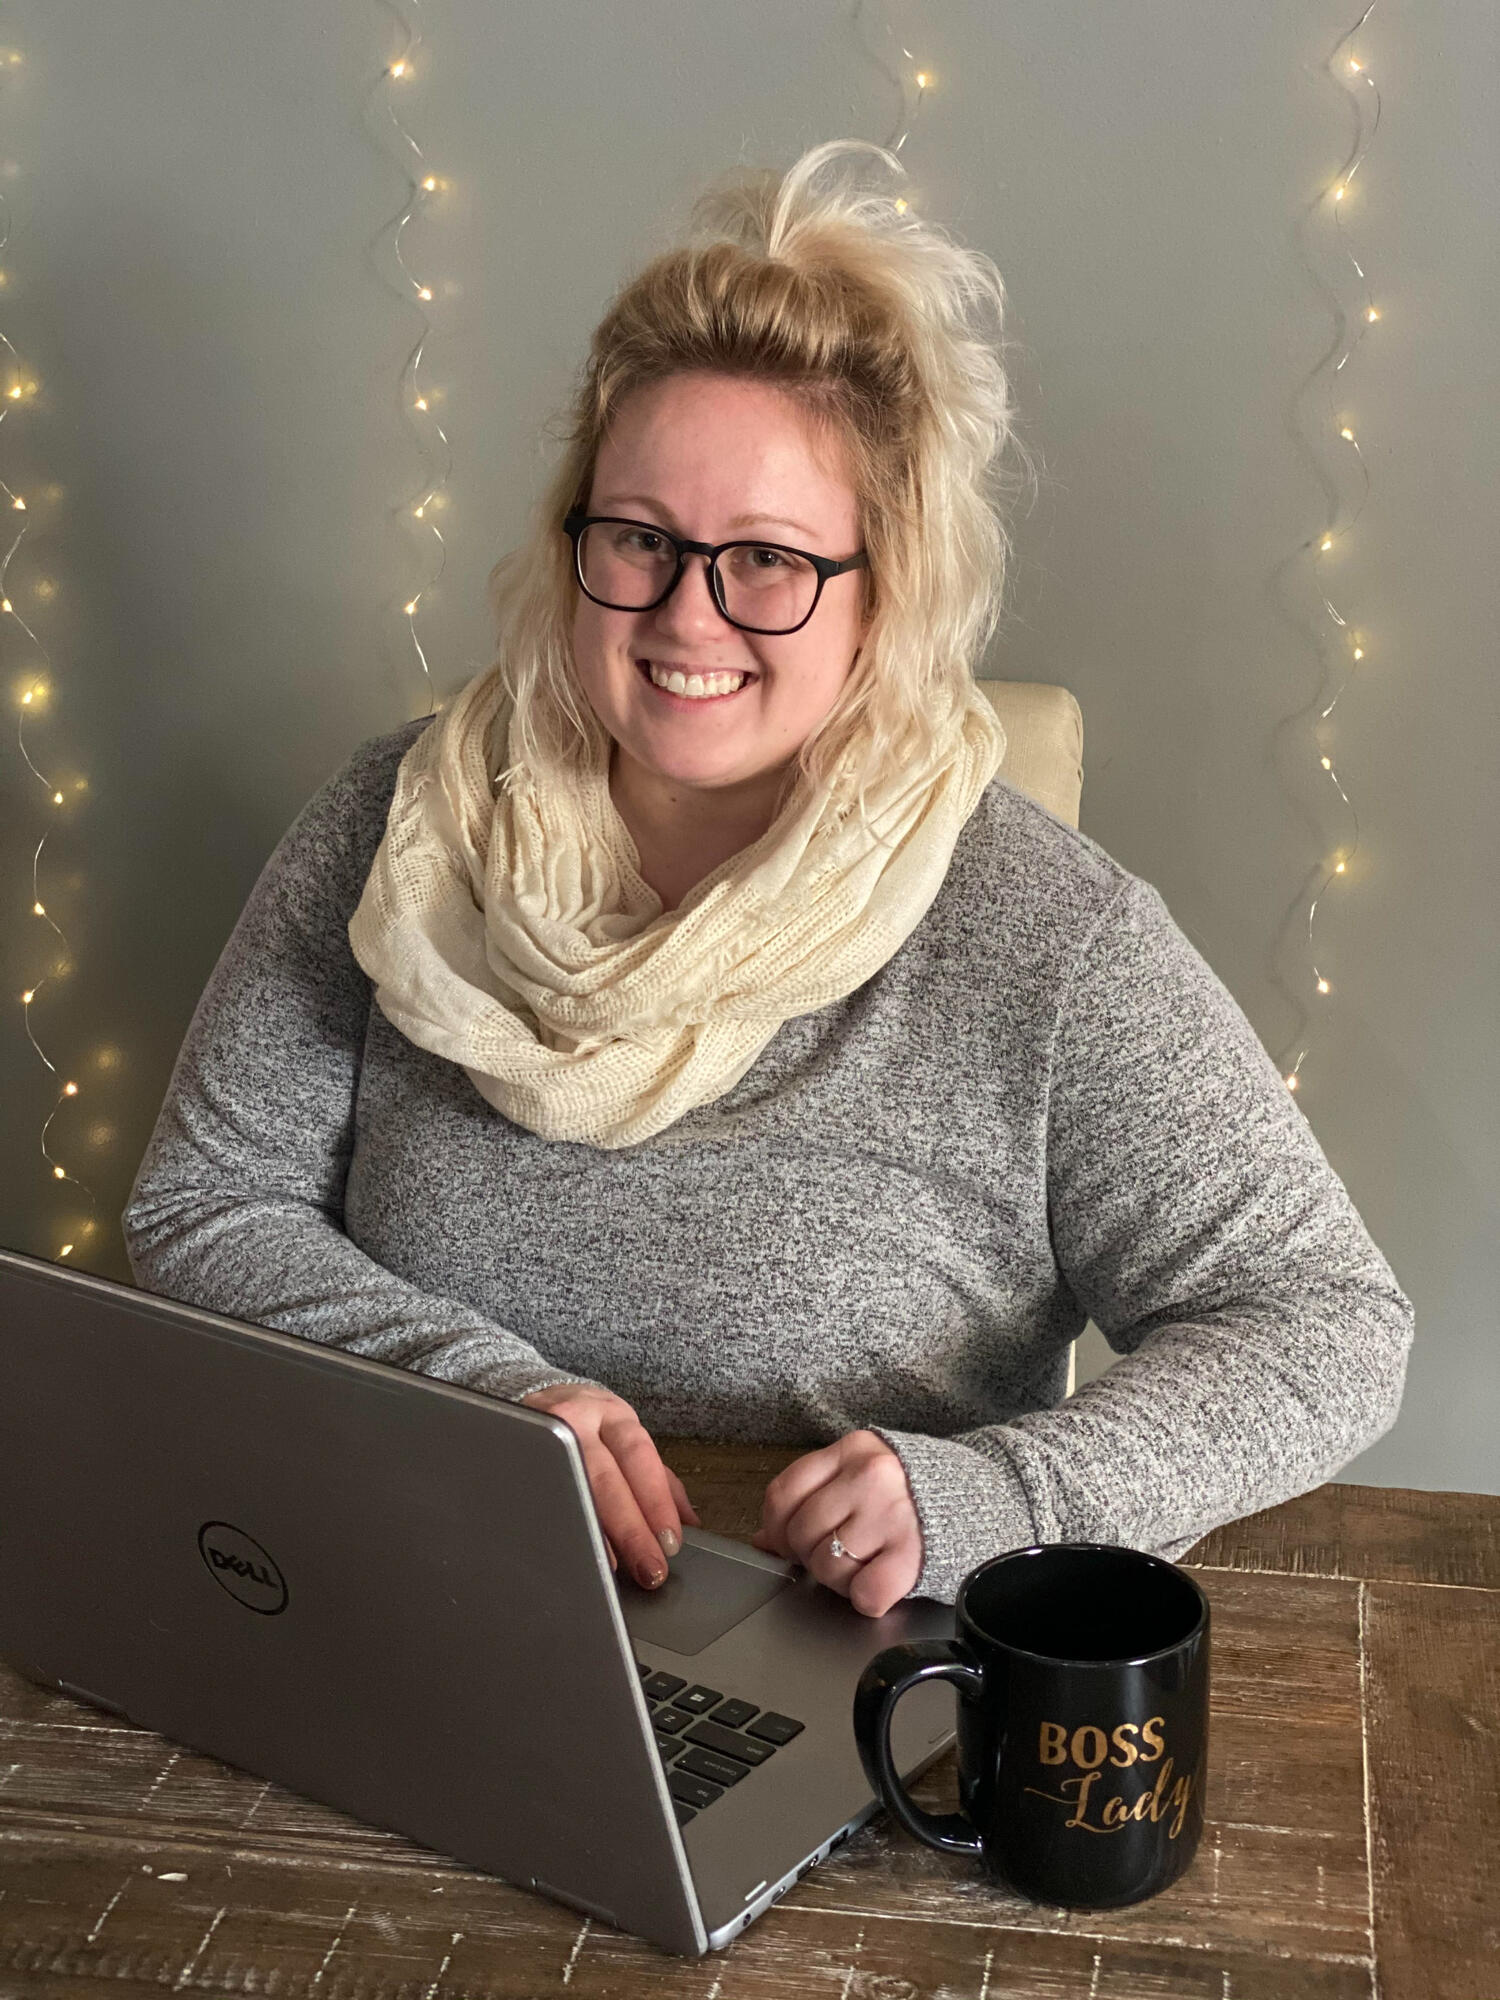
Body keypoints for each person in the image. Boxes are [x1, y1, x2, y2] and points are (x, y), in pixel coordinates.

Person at [122, 139, 1414, 1620]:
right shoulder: (394, 831)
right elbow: (205, 1206)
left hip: (830, 1659)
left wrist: (999, 1499)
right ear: (576, 540)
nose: (688, 613)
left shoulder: (1048, 939)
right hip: (404, 1589)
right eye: (642, 539)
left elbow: (1324, 1326)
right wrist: (471, 1390)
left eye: (769, 562)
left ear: (886, 590)